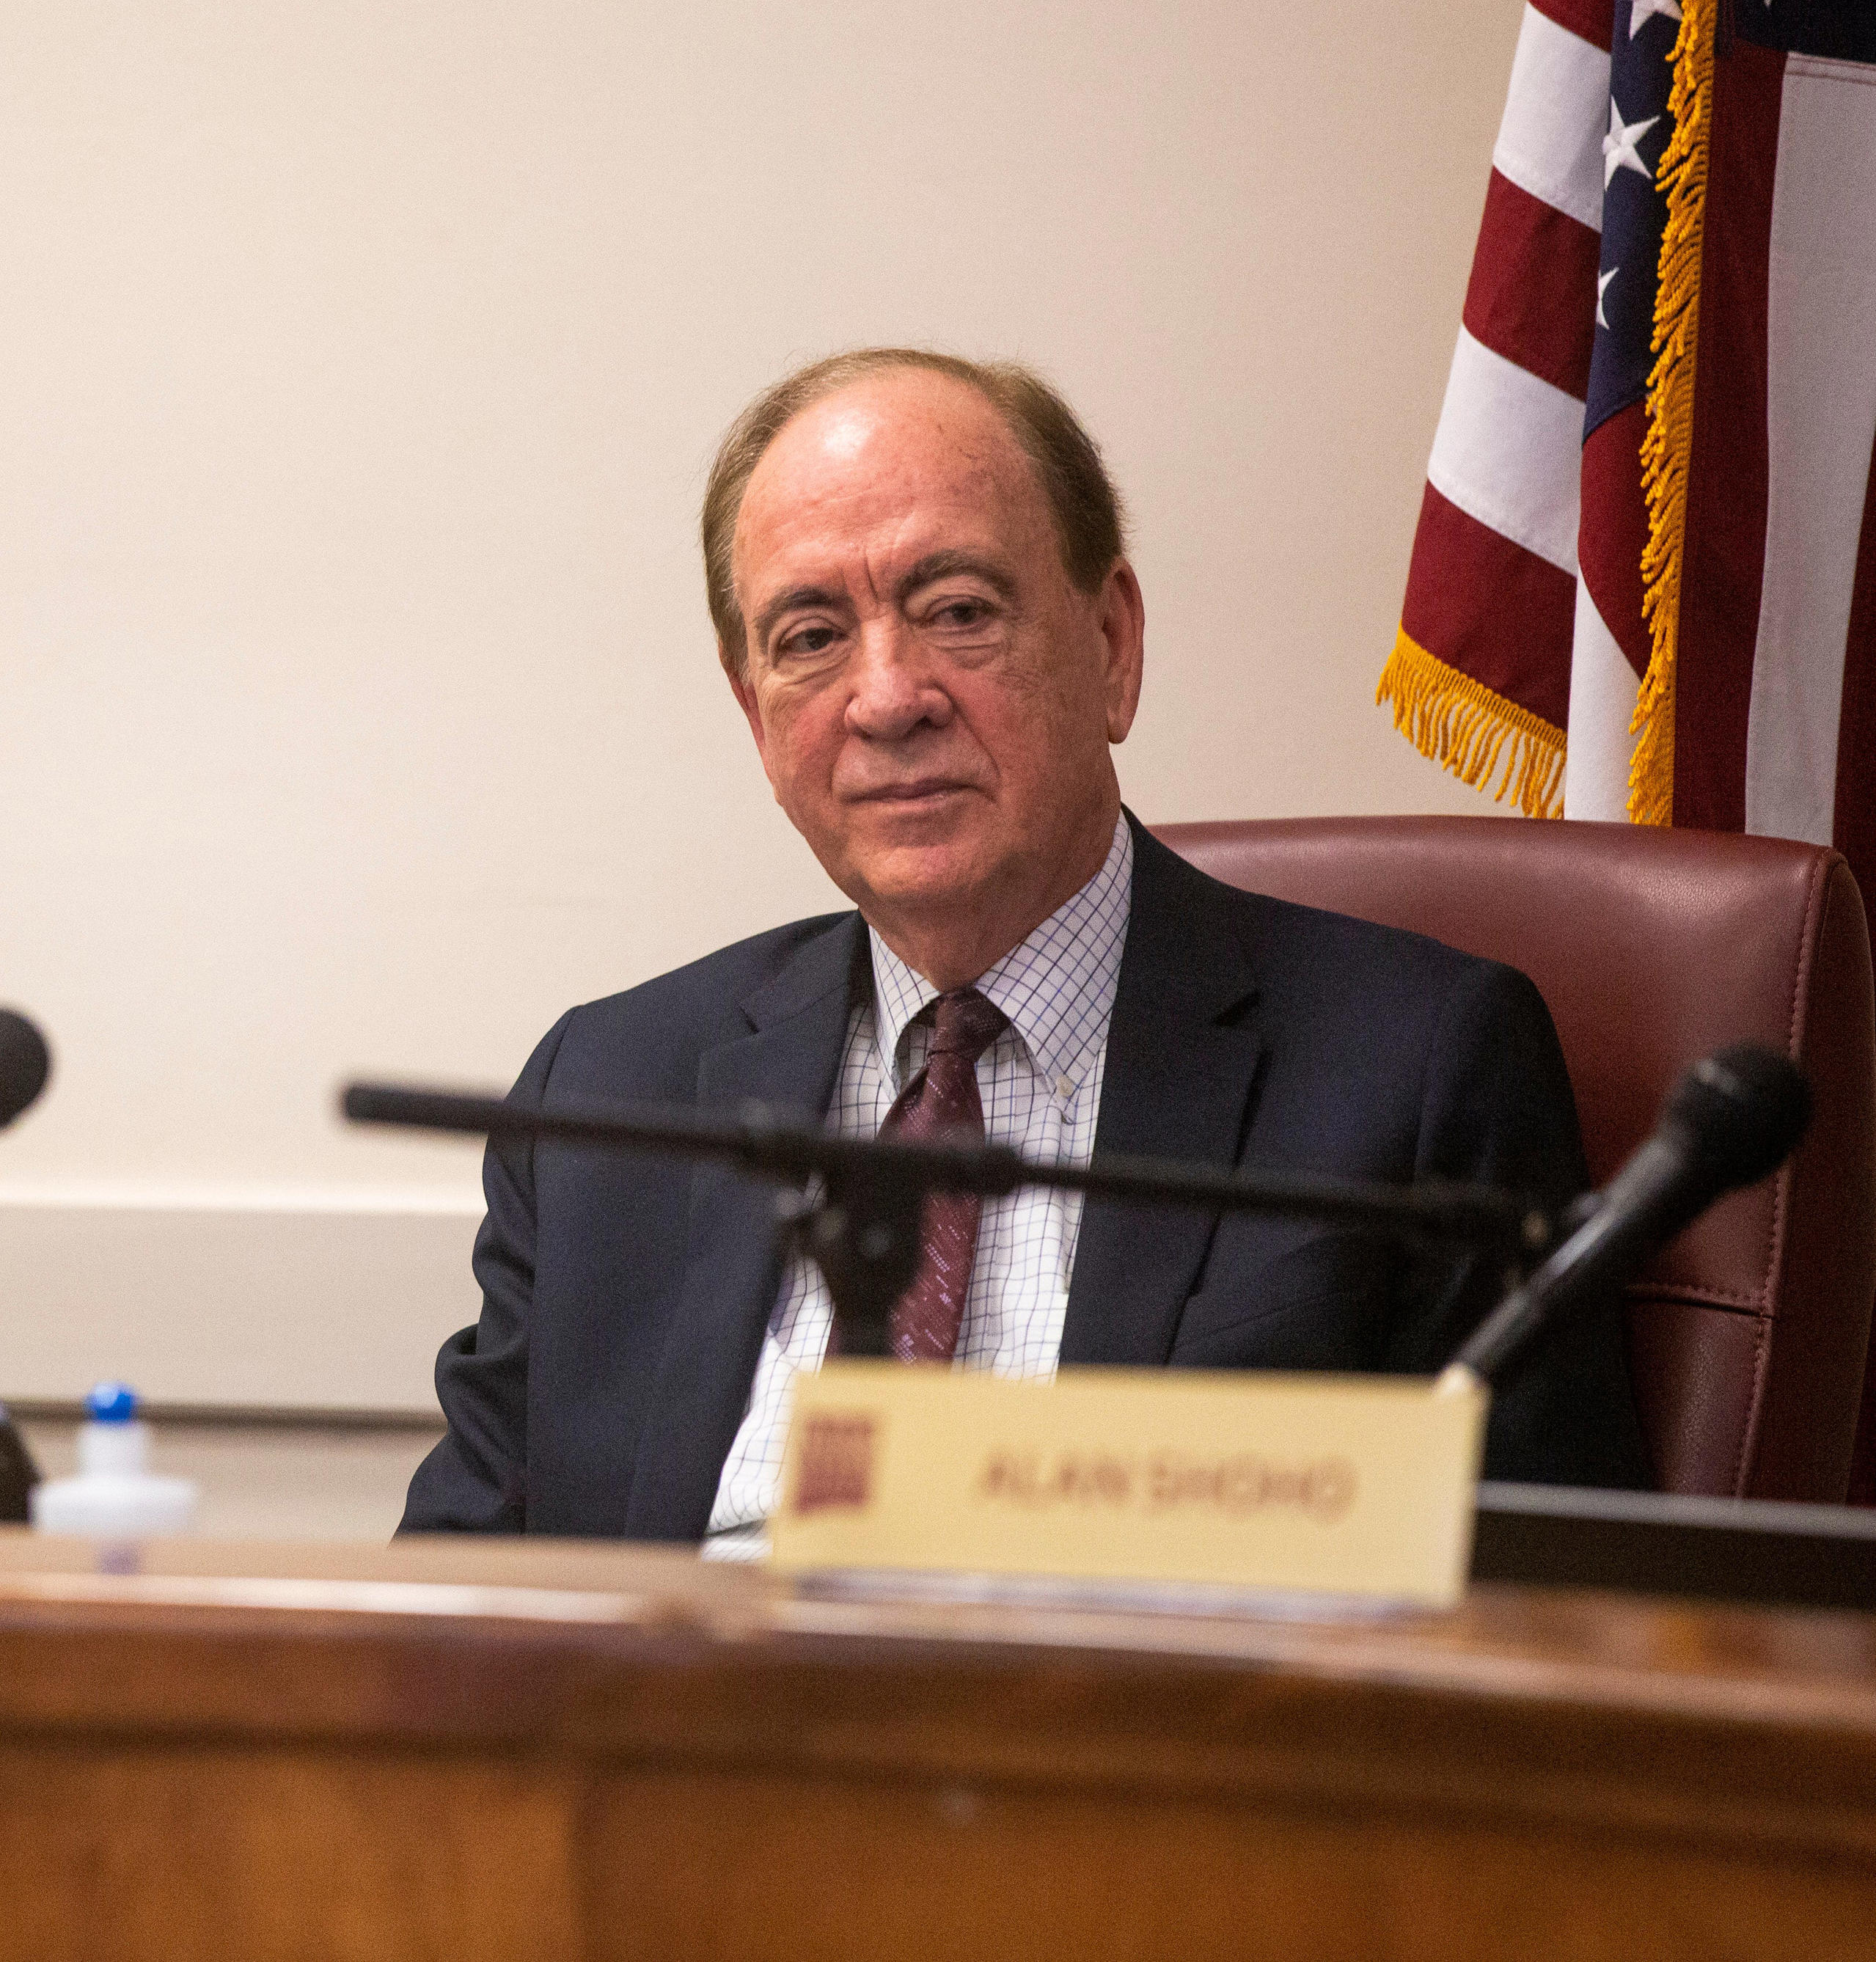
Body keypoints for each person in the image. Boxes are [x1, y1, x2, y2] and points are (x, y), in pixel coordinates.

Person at [400, 348, 1649, 1548]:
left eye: (956, 611)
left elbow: (1542, 1626)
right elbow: (446, 1619)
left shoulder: (1412, 1072)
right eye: (810, 637)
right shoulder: (606, 1094)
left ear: (1110, 647)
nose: (886, 698)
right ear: (755, 714)